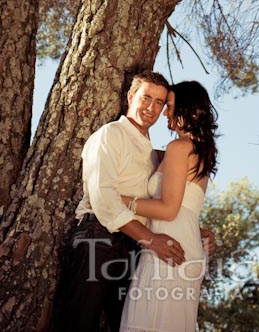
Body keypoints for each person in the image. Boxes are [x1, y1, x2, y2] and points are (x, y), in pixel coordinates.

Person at [51, 70, 185, 332]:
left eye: (159, 102)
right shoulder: (111, 134)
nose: (151, 107)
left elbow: (154, 204)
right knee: (78, 324)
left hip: (132, 248)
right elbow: (104, 199)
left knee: (127, 326)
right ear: (130, 96)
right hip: (98, 239)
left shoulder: (151, 153)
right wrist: (151, 239)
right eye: (146, 97)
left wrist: (192, 227)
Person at [118, 80, 219, 332]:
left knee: (146, 321)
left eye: (170, 106)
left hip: (169, 247)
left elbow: (169, 209)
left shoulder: (179, 147)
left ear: (188, 109)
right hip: (186, 245)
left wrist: (120, 201)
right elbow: (186, 209)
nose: (165, 112)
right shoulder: (201, 151)